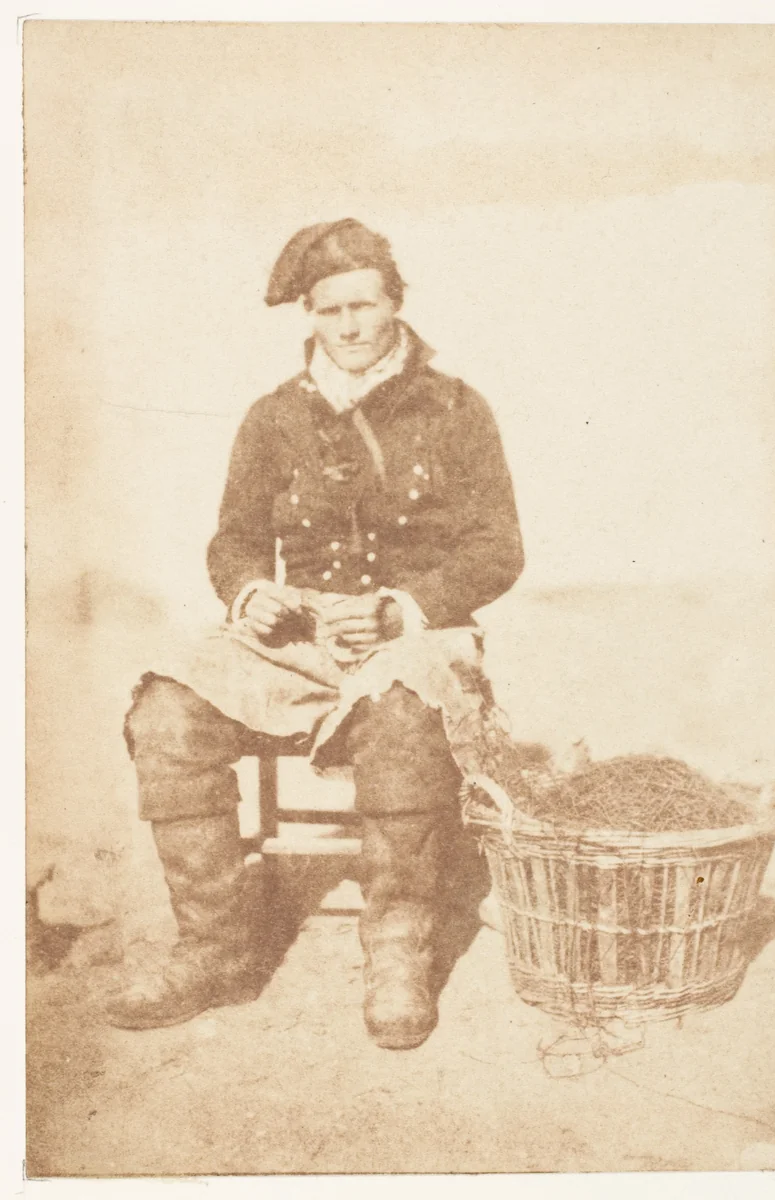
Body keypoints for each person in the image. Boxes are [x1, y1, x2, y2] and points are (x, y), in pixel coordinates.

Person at [106, 219, 525, 1050]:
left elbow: (497, 549)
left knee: (405, 717)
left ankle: (398, 953)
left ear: (395, 304)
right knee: (166, 710)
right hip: (293, 642)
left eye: (363, 304)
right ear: (310, 315)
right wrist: (250, 593)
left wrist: (403, 607)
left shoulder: (453, 408)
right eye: (328, 310)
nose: (348, 326)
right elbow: (231, 539)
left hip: (413, 637)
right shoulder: (273, 417)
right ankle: (214, 951)